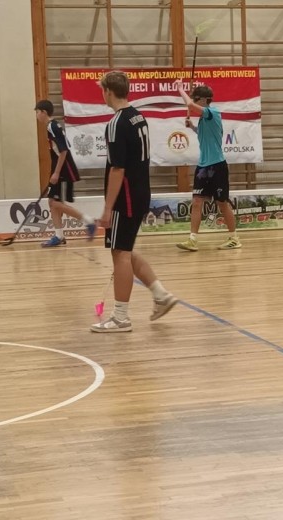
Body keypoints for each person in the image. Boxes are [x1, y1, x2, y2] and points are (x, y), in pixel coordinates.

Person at [91, 71, 178, 333]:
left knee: (120, 253)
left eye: (102, 89)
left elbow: (117, 169)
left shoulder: (117, 123)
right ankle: (161, 295)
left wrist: (108, 209)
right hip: (140, 193)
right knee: (125, 250)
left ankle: (120, 318)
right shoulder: (138, 117)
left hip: (126, 198)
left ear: (108, 91)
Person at [173, 79, 241, 251]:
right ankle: (192, 239)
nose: (193, 102)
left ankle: (234, 238)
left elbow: (189, 105)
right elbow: (205, 136)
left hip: (217, 166)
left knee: (222, 203)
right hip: (203, 167)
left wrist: (180, 89)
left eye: (196, 99)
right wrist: (193, 127)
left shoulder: (213, 113)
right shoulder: (204, 120)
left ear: (204, 100)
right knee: (197, 201)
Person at [33, 100, 97, 247]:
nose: (36, 115)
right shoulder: (52, 126)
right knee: (52, 202)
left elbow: (63, 151)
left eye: (37, 112)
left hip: (64, 170)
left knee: (55, 203)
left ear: (43, 112)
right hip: (59, 169)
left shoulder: (52, 127)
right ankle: (59, 236)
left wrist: (56, 173)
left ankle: (89, 221)